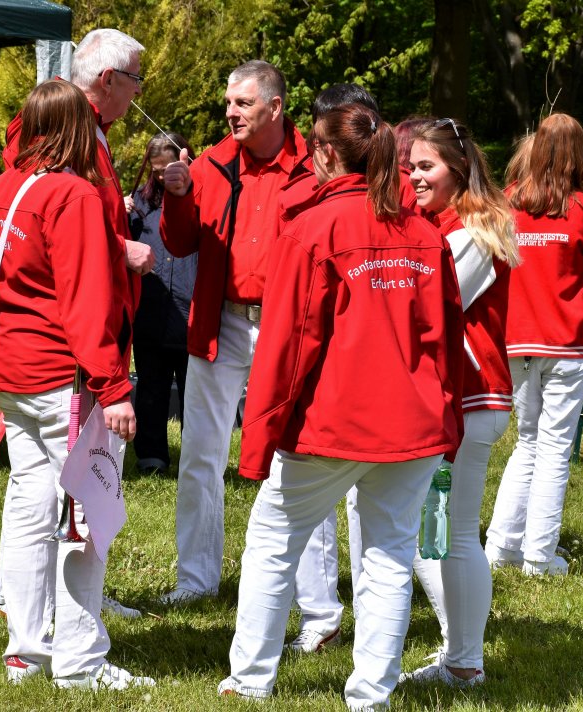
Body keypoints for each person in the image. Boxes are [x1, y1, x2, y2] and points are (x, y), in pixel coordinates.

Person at [217, 103, 465, 709]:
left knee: (274, 541)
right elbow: (446, 340)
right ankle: (371, 694)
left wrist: (259, 439)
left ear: (327, 154)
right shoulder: (423, 233)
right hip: (410, 426)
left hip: (331, 425)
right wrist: (448, 423)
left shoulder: (315, 228)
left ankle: (250, 680)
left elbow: (286, 345)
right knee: (388, 557)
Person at [0, 80, 153, 690]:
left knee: (30, 507)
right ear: (80, 130)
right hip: (63, 378)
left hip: (12, 372)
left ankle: (25, 651)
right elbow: (87, 301)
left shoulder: (1, 188)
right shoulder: (74, 194)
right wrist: (115, 387)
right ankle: (80, 661)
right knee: (86, 514)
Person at [0, 28, 148, 620]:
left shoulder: (70, 139)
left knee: (33, 493)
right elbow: (60, 246)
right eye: (136, 80)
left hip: (32, 355)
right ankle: (74, 634)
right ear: (108, 79)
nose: (139, 93)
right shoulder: (65, 139)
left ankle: (27, 628)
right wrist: (118, 247)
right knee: (82, 494)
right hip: (66, 356)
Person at [158, 60, 309, 605]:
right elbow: (178, 244)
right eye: (228, 103)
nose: (231, 112)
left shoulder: (314, 165)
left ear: (275, 106)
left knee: (299, 456)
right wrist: (177, 195)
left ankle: (305, 594)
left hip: (288, 326)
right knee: (201, 453)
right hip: (219, 323)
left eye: (243, 103)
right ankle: (195, 580)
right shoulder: (209, 164)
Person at [280, 83, 418, 655]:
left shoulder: (396, 202)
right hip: (371, 400)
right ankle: (330, 626)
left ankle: (254, 676)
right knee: (359, 533)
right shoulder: (308, 197)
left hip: (354, 400)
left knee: (296, 531)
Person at [401, 117, 518, 687]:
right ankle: (459, 653)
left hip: (470, 396)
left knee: (454, 533)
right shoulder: (440, 224)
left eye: (427, 166)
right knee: (433, 533)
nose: (415, 177)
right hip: (458, 398)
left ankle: (466, 661)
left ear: (459, 168)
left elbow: (426, 308)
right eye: (411, 167)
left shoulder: (471, 230)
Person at [484, 113, 583, 576]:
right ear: (580, 156)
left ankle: (501, 547)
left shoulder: (506, 203)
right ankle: (539, 555)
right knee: (555, 447)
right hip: (568, 341)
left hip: (516, 338)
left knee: (528, 442)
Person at [127, 132, 198, 474]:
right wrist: (118, 213)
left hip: (189, 313)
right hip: (150, 310)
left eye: (165, 169)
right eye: (154, 171)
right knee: (151, 387)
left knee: (192, 394)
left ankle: (194, 460)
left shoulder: (201, 199)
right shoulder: (138, 205)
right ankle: (151, 456)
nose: (160, 177)